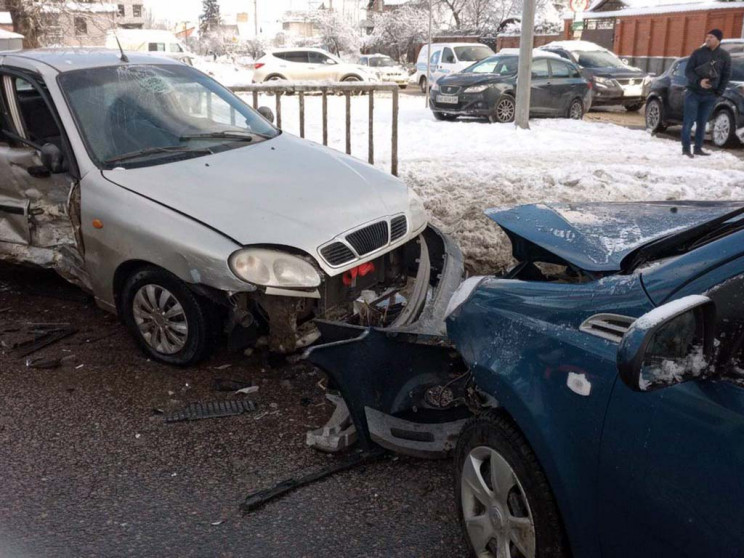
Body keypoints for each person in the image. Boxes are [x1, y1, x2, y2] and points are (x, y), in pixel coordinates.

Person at [681, 29, 731, 157]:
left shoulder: (724, 56)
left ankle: (698, 148)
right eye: (707, 36)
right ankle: (686, 149)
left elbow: (726, 76)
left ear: (718, 40)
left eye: (711, 37)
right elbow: (688, 71)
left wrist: (718, 92)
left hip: (710, 96)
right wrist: (699, 81)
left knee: (702, 123)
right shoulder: (698, 53)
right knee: (689, 122)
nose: (708, 39)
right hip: (693, 93)